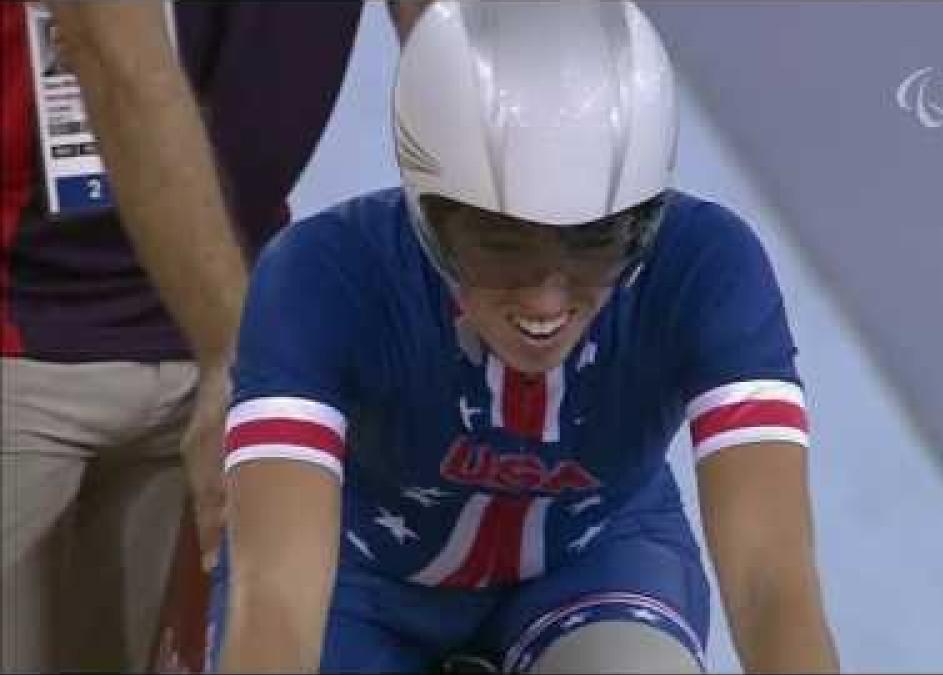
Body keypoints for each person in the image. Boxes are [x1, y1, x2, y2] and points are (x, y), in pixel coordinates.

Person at [211, 2, 839, 673]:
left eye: (596, 242)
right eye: (500, 245)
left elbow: (771, 580)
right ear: (427, 212)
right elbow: (276, 597)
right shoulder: (319, 275)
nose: (545, 299)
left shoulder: (708, 264)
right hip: (356, 580)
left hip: (593, 558)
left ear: (649, 217)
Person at [0, 1, 407, 670]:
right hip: (32, 334)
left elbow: (457, 36)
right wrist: (239, 352)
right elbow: (113, 52)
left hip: (222, 318)